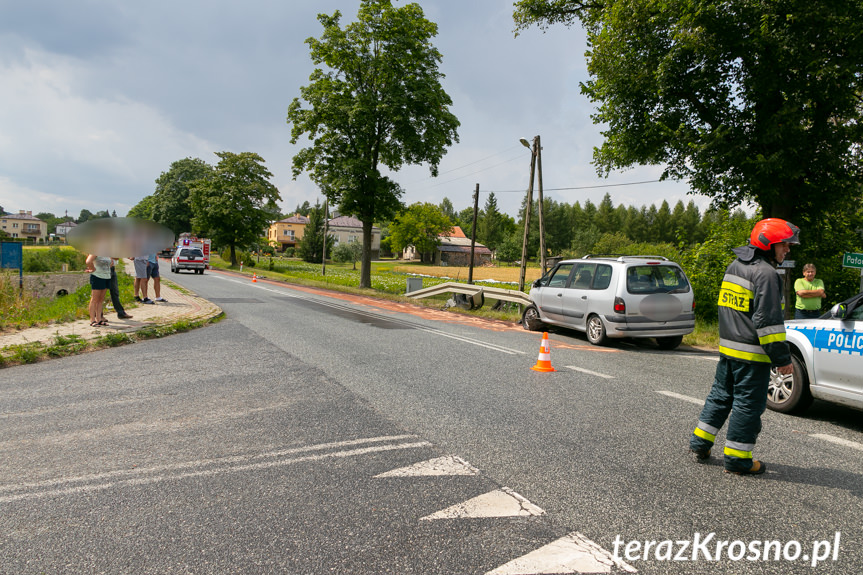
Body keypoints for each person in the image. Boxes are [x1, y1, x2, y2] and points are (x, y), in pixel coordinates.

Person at [690, 218, 798, 476]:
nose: (788, 250)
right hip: (752, 356)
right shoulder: (767, 274)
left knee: (720, 397)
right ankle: (738, 460)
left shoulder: (734, 267)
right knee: (747, 406)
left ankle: (700, 443)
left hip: (728, 352)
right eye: (784, 244)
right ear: (769, 244)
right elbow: (768, 324)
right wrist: (782, 359)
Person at [85, 254, 112, 327]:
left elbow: (111, 262)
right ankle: (92, 320)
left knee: (101, 299)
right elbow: (88, 261)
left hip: (106, 276)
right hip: (97, 276)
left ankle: (99, 319)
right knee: (95, 299)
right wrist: (92, 269)